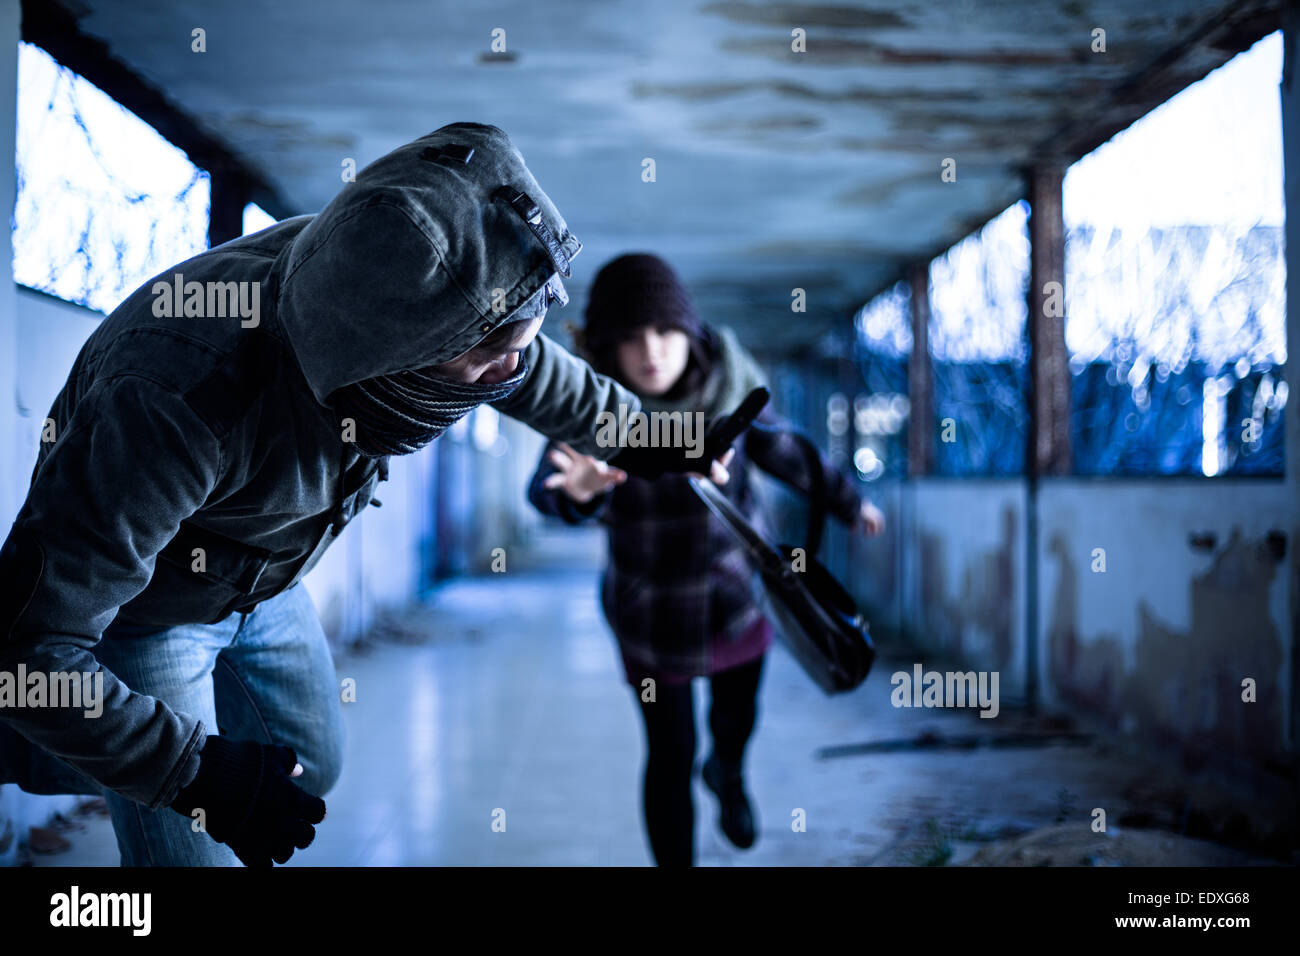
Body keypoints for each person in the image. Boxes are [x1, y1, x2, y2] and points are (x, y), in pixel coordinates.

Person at [0, 125, 743, 867]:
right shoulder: (173, 399)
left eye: (520, 342)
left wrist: (655, 437)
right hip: (150, 611)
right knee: (191, 839)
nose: (511, 373)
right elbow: (29, 651)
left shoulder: (382, 285)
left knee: (308, 766)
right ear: (397, 355)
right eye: (493, 358)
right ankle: (80, 745)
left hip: (262, 578)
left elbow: (535, 370)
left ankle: (104, 746)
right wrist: (192, 773)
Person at [529, 253, 884, 867]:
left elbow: (785, 453)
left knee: (734, 721)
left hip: (736, 599)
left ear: (688, 333)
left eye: (664, 331)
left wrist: (850, 503)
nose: (651, 350)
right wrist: (578, 494)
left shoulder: (730, 385)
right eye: (631, 336)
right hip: (649, 613)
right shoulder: (590, 406)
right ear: (605, 345)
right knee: (669, 753)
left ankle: (728, 774)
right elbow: (547, 490)